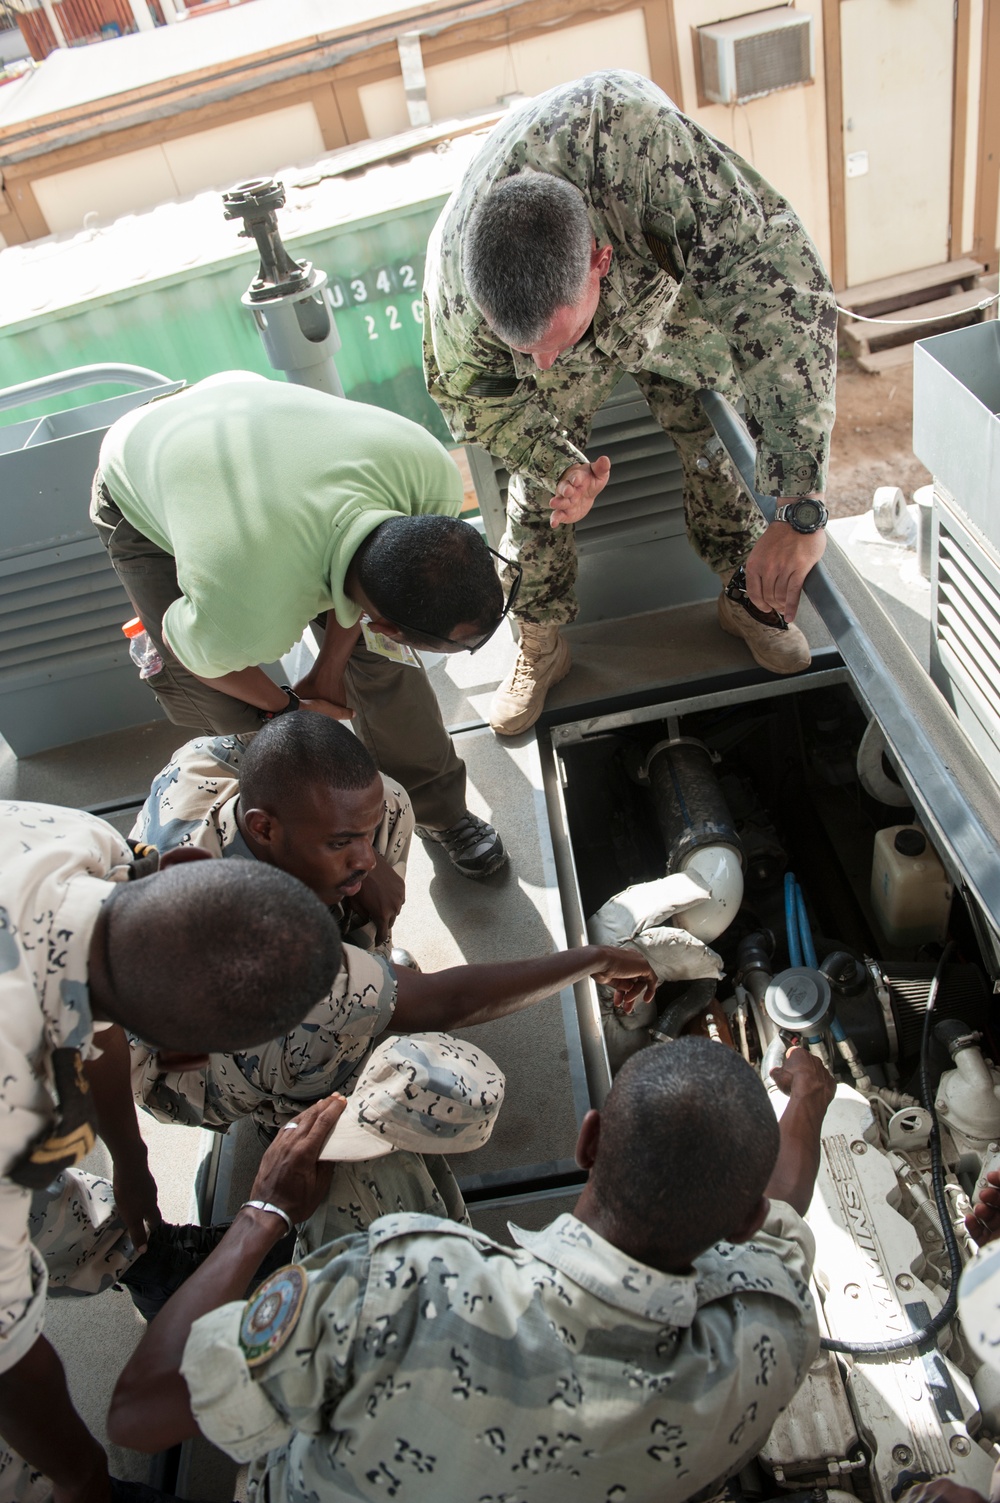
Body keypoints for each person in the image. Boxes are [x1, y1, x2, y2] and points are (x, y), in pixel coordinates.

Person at [109, 1038, 834, 1502]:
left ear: (588, 1140)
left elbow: (140, 1413)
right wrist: (806, 1101)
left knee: (367, 1156)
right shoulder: (773, 1338)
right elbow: (785, 1216)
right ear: (741, 1223)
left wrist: (261, 1212)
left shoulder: (402, 1285)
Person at [423, 70, 838, 735]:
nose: (544, 364)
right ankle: (540, 644)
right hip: (573, 296)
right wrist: (557, 460)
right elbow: (477, 398)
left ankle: (745, 598)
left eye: (552, 341)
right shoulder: (455, 292)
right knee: (538, 500)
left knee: (716, 448)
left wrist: (801, 507)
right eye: (523, 347)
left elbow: (783, 296)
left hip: (665, 296)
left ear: (600, 259)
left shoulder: (642, 154)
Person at [0, 799, 342, 1503]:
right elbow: (9, 1360)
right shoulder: (10, 1109)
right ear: (181, 1051)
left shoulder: (79, 846)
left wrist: (131, 1165)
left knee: (59, 1209)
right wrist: (81, 1475)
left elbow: (96, 1010)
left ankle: (139, 1255)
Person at [126, 713, 659, 1140]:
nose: (364, 858)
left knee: (389, 797)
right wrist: (596, 958)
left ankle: (367, 974)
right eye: (340, 843)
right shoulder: (256, 947)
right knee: (373, 1057)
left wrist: (359, 853)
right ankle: (290, 1107)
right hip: (185, 1067)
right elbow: (446, 1003)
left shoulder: (201, 763)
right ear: (262, 827)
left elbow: (291, 737)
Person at [91, 370, 508, 878]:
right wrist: (287, 707)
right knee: (237, 708)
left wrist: (330, 667)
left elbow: (359, 591)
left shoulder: (430, 482)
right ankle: (295, 846)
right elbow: (192, 653)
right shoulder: (248, 605)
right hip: (144, 470)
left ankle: (438, 811)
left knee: (382, 666)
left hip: (246, 438)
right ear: (390, 623)